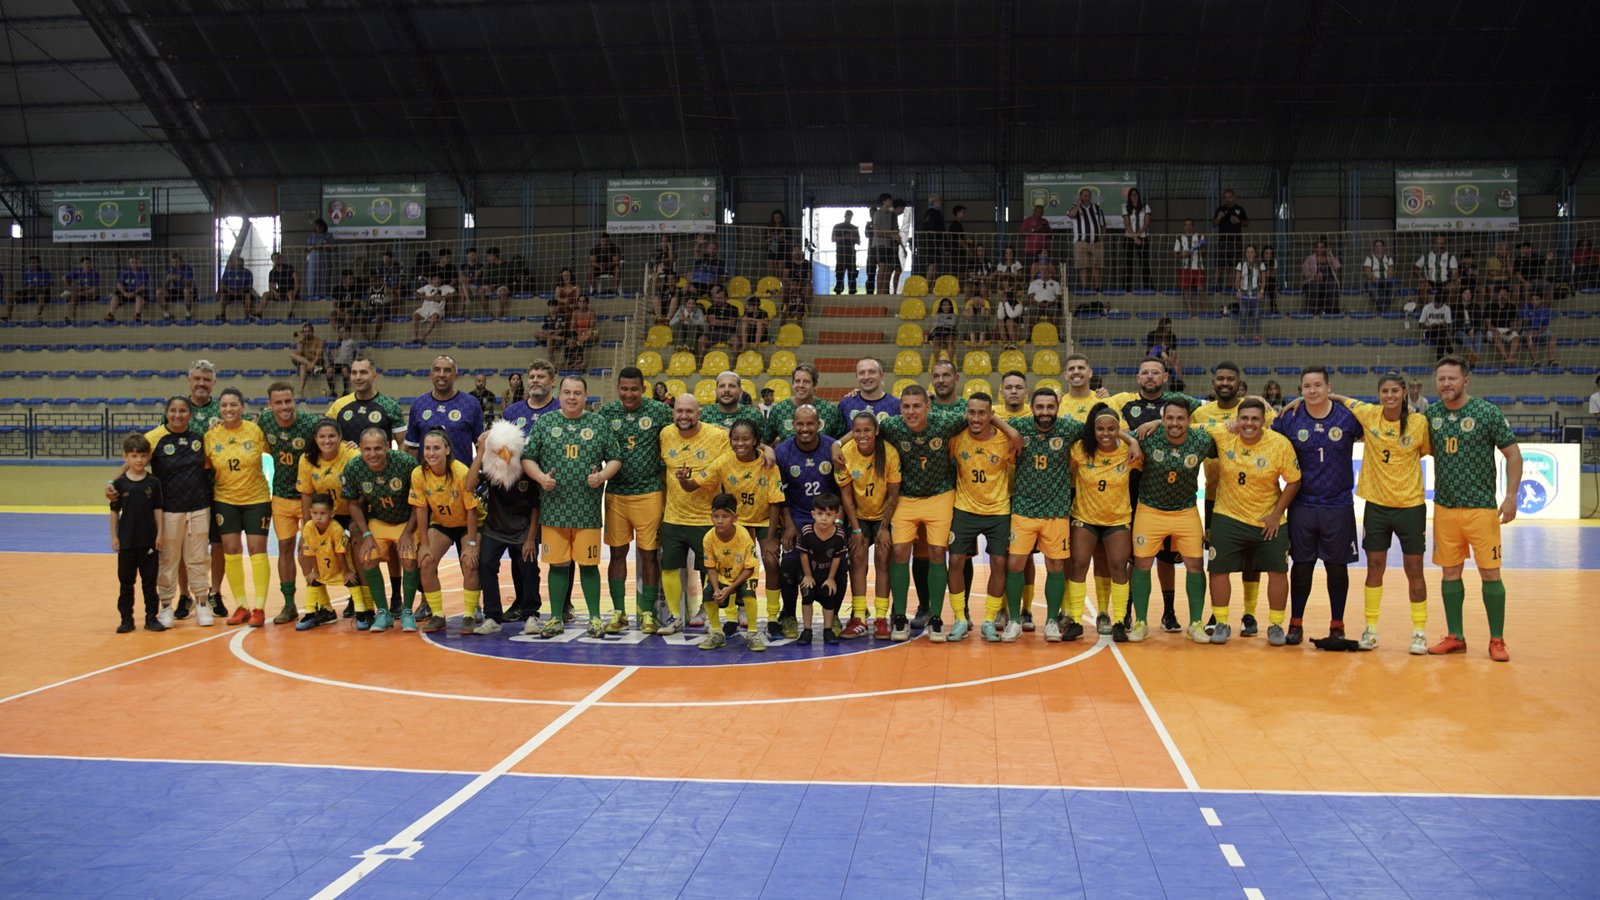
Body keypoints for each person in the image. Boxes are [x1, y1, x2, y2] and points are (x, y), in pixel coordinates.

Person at [1311, 373, 1433, 653]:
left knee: (1414, 569)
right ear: (1379, 394)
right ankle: (1371, 630)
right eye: (1384, 391)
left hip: (1411, 507)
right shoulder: (1369, 414)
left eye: (1394, 391)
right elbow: (1337, 398)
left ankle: (1419, 632)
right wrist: (1294, 403)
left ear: (1404, 393)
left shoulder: (1418, 422)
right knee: (1374, 567)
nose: (1389, 396)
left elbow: (1425, 451)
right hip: (1376, 506)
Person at [1426, 356, 1521, 662]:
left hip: (1481, 509)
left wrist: (1511, 495)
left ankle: (1497, 640)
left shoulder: (1486, 412)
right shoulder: (1431, 415)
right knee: (1450, 572)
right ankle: (1456, 636)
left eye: (1452, 379)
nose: (1446, 384)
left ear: (1465, 381)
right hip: (1445, 508)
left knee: (1490, 573)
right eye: (1441, 379)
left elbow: (1513, 455)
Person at [521, 375, 621, 638]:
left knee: (589, 566)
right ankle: (555, 618)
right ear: (560, 394)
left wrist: (601, 476)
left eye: (577, 393)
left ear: (586, 396)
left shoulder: (598, 423)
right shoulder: (546, 422)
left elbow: (615, 458)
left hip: (587, 511)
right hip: (553, 510)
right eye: (567, 392)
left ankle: (596, 619)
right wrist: (542, 478)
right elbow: (527, 459)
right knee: (557, 565)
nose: (572, 397)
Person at [1272, 367, 1362, 645]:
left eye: (1318, 386)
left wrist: (1337, 397)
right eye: (1307, 387)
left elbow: (1373, 424)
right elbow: (1266, 434)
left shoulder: (1347, 417)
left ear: (1328, 387)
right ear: (1300, 390)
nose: (1312, 391)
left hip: (1338, 505)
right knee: (1302, 566)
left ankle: (1337, 624)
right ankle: (1295, 623)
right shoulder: (1290, 418)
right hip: (1302, 505)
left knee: (1337, 568)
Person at [1199, 398, 1300, 644]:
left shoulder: (1279, 444)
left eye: (1255, 419)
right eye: (1244, 418)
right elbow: (1185, 427)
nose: (1249, 423)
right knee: (1218, 570)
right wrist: (1157, 421)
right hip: (1228, 516)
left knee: (1278, 571)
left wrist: (1276, 515)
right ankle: (1221, 622)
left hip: (1267, 519)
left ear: (1264, 421)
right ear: (1237, 419)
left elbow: (1294, 480)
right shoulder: (1224, 433)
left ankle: (1275, 625)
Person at [881, 385, 974, 640]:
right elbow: (861, 431)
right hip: (906, 498)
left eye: (917, 406)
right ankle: (899, 617)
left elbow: (980, 414)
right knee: (899, 551)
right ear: (900, 408)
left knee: (936, 552)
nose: (911, 411)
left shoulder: (945, 422)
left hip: (940, 495)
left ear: (928, 407)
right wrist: (838, 445)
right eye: (906, 406)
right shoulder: (891, 426)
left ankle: (936, 617)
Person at [1194, 361, 1275, 630]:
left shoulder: (1253, 411)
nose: (1225, 383)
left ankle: (1249, 613)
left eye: (1230, 379)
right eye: (1220, 379)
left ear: (1239, 383)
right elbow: (1184, 427)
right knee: (1218, 559)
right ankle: (1218, 614)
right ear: (1213, 383)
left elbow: (1276, 425)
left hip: (1253, 498)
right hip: (1217, 498)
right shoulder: (1201, 413)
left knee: (1252, 558)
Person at [687, 418, 783, 639]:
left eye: (746, 438)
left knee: (770, 560)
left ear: (756, 441)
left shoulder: (768, 465)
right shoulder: (723, 462)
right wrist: (684, 479)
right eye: (735, 439)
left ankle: (772, 618)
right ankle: (731, 617)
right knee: (728, 562)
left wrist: (769, 536)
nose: (740, 443)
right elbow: (694, 484)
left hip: (763, 520)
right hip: (736, 521)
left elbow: (775, 501)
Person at [1128, 399, 1213, 642]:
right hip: (1150, 510)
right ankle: (1140, 622)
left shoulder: (1201, 440)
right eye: (1170, 418)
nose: (1175, 423)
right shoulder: (1148, 436)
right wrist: (1133, 439)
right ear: (1163, 419)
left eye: (1180, 419)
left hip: (1185, 511)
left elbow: (1224, 429)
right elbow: (1117, 433)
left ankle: (1195, 623)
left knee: (1195, 566)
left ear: (1188, 420)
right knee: (1142, 564)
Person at [599, 367, 674, 632]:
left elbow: (672, 447)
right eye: (624, 389)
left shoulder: (659, 412)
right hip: (617, 494)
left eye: (634, 389)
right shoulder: (607, 413)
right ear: (618, 388)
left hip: (650, 492)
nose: (629, 394)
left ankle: (648, 614)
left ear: (643, 388)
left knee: (649, 555)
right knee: (617, 554)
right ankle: (619, 613)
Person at [942, 393, 1019, 642]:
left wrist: (1005, 427)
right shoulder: (955, 439)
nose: (976, 418)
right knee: (955, 562)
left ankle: (988, 619)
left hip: (998, 511)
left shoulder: (1006, 441)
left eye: (982, 413)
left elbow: (1018, 443)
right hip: (964, 509)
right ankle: (960, 619)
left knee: (998, 564)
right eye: (972, 412)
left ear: (991, 415)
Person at [1066, 403, 1140, 641]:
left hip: (1117, 519)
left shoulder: (1129, 452)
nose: (1106, 434)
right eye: (1100, 429)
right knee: (1078, 564)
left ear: (1119, 429)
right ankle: (1075, 621)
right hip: (1084, 517)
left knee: (1118, 566)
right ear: (1093, 429)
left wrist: (1131, 441)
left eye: (1111, 429)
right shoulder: (1079, 450)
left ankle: (1118, 620)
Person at [342, 426, 422, 632]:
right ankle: (383, 613)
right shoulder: (353, 467)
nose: (372, 454)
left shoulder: (406, 464)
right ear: (360, 448)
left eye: (378, 448)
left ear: (388, 446)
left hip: (406, 521)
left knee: (408, 558)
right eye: (367, 449)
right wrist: (366, 533)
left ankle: (406, 612)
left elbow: (419, 501)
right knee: (367, 557)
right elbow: (351, 503)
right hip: (378, 521)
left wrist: (407, 532)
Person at [143, 396, 214, 628]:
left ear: (190, 414)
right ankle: (165, 607)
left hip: (198, 508)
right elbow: (134, 461)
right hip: (169, 510)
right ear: (166, 413)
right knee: (168, 559)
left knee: (198, 558)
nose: (177, 415)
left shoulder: (198, 439)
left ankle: (202, 604)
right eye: (173, 410)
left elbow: (211, 462)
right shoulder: (155, 438)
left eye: (182, 411)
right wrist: (113, 482)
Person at [206, 389, 274, 627]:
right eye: (224, 405)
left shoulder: (255, 431)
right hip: (225, 499)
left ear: (242, 407)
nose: (228, 409)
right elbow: (205, 467)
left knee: (257, 550)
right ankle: (242, 606)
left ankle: (259, 608)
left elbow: (275, 451)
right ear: (219, 408)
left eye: (233, 404)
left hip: (256, 499)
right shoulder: (211, 435)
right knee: (231, 550)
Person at [465, 420, 540, 631]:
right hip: (495, 528)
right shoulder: (491, 468)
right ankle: (492, 617)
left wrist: (531, 539)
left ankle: (531, 614)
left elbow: (536, 506)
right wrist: (481, 452)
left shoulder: (526, 468)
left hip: (523, 529)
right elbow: (469, 486)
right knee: (486, 565)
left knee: (528, 568)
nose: (504, 455)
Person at [832, 410, 901, 638]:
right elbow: (847, 497)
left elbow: (893, 494)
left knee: (883, 559)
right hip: (859, 515)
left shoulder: (889, 453)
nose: (862, 435)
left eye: (867, 430)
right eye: (857, 430)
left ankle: (881, 618)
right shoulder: (845, 453)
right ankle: (859, 616)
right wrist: (856, 529)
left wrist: (883, 528)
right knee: (857, 560)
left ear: (876, 431)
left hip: (884, 515)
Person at [257, 382, 320, 626]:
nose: (284, 407)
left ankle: (317, 603)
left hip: (309, 497)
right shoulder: (264, 421)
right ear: (270, 404)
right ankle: (289, 604)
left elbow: (327, 445)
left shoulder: (308, 424)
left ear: (294, 400)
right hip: (281, 496)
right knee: (284, 549)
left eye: (288, 401)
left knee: (308, 550)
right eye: (278, 402)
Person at [774, 405, 839, 641]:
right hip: (798, 515)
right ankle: (789, 614)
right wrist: (788, 525)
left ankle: (835, 616)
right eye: (800, 424)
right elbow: (778, 494)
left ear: (818, 424)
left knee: (839, 561)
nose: (805, 429)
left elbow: (842, 487)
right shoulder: (782, 452)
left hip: (829, 515)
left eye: (810, 423)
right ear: (793, 425)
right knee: (790, 560)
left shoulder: (832, 446)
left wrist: (837, 519)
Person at [410, 428, 482, 634]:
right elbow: (421, 510)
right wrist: (423, 544)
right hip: (442, 523)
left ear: (447, 450)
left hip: (467, 523)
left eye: (436, 448)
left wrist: (470, 544)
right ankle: (437, 614)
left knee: (469, 563)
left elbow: (471, 511)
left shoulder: (460, 472)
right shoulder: (419, 474)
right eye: (427, 448)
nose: (431, 453)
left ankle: (470, 614)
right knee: (425, 561)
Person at [296, 418, 366, 622]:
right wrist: (307, 529)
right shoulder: (307, 459)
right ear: (316, 439)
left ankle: (360, 602)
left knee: (356, 545)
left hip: (349, 510)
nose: (327, 440)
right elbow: (307, 495)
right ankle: (324, 607)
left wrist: (359, 520)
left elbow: (363, 490)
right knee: (304, 554)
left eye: (332, 436)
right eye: (322, 436)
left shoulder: (352, 455)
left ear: (340, 437)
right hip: (323, 514)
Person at [109, 433, 164, 634]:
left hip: (149, 540)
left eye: (142, 455)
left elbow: (158, 509)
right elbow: (114, 511)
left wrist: (160, 534)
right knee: (126, 583)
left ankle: (151, 617)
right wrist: (114, 537)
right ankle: (126, 619)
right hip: (127, 541)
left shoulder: (153, 483)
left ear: (148, 456)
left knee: (149, 583)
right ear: (125, 457)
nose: (138, 460)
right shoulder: (119, 484)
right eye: (134, 456)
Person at [699, 492, 764, 650]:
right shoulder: (708, 538)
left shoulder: (744, 536)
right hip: (722, 576)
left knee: (748, 593)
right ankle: (716, 633)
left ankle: (753, 633)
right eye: (716, 516)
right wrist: (716, 589)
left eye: (725, 516)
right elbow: (711, 567)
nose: (720, 521)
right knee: (708, 593)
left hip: (744, 575)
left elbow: (749, 569)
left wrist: (730, 590)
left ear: (735, 518)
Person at [294, 494, 360, 631]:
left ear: (332, 513)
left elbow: (340, 553)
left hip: (342, 565)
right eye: (315, 513)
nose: (318, 517)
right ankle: (310, 614)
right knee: (313, 580)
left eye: (323, 513)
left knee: (352, 581)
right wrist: (316, 571)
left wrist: (347, 572)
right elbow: (310, 552)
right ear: (310, 512)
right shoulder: (308, 528)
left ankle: (362, 612)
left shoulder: (336, 529)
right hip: (323, 564)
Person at [404, 355, 485, 465]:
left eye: (447, 370)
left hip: (461, 479)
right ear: (431, 375)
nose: (441, 375)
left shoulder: (471, 404)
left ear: (455, 376)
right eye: (437, 370)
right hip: (426, 479)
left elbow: (480, 446)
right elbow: (412, 448)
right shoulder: (418, 404)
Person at [797, 493, 850, 645]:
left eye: (828, 514)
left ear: (836, 516)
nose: (824, 518)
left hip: (827, 574)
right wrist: (807, 575)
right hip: (810, 573)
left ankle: (828, 630)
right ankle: (807, 630)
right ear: (813, 514)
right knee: (807, 594)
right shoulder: (807, 531)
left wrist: (831, 578)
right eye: (820, 514)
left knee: (829, 595)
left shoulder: (839, 535)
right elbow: (803, 554)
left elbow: (837, 557)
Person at [763, 363, 845, 443]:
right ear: (792, 384)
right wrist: (767, 449)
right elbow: (766, 439)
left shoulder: (830, 410)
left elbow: (841, 442)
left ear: (815, 385)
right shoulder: (779, 410)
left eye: (806, 381)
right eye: (797, 381)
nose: (801, 385)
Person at [1065, 187, 1108, 294]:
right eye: (1084, 196)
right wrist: (1079, 204)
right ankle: (1084, 287)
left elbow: (1103, 225)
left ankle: (1097, 287)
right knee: (1082, 266)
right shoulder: (1074, 207)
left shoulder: (1097, 209)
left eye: (1088, 196)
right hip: (1081, 242)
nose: (1087, 198)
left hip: (1097, 242)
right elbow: (1071, 215)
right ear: (1080, 197)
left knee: (1097, 266)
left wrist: (1102, 239)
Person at [700, 371, 765, 433]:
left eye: (732, 386)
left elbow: (762, 443)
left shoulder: (754, 415)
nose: (726, 390)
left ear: (740, 391)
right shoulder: (704, 414)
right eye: (722, 386)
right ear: (716, 391)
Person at [865, 194, 898, 295]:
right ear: (884, 201)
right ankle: (879, 292)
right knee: (882, 268)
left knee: (887, 269)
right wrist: (891, 236)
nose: (891, 201)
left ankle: (884, 292)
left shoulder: (891, 215)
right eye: (889, 200)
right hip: (879, 245)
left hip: (888, 245)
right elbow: (877, 232)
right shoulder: (878, 214)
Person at [1122, 188, 1152, 291]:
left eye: (1135, 194)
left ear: (1138, 196)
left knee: (1144, 263)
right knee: (1128, 264)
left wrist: (1138, 235)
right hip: (1129, 238)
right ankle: (1126, 288)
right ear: (1129, 197)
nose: (1134, 197)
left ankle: (1148, 287)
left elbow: (1146, 222)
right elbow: (1127, 224)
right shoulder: (1125, 207)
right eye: (1131, 195)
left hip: (1142, 237)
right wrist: (1135, 237)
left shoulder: (1145, 207)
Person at [4, 255, 51, 322]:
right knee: (10, 295)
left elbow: (48, 287)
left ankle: (38, 316)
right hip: (29, 293)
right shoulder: (27, 273)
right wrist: (28, 289)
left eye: (35, 262)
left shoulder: (45, 272)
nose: (34, 264)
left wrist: (36, 291)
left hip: (41, 293)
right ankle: (8, 317)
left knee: (41, 296)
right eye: (32, 263)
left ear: (39, 262)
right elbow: (25, 287)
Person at [1301, 239, 1342, 316]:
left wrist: (1331, 254)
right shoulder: (1310, 259)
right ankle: (1313, 312)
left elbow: (1337, 266)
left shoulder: (1329, 258)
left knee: (1332, 285)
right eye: (1317, 247)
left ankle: (1331, 312)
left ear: (1326, 248)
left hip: (1328, 281)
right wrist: (1314, 275)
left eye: (1322, 247)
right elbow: (1305, 273)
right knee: (1315, 286)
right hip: (1314, 281)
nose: (1319, 249)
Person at [1173, 219, 1206, 313]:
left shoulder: (1200, 237)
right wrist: (1184, 254)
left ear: (1193, 226)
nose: (1188, 227)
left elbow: (1205, 253)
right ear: (1183, 226)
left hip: (1198, 267)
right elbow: (1175, 255)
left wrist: (1201, 250)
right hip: (1185, 268)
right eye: (1186, 225)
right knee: (1186, 289)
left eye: (1190, 225)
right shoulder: (1179, 238)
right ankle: (1191, 310)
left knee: (1201, 288)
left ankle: (1205, 311)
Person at [1236, 244, 1266, 342]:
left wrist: (1261, 292)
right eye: (1248, 252)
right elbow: (1237, 280)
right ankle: (1242, 335)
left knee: (1256, 314)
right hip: (1244, 291)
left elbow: (1263, 280)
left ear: (1255, 254)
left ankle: (1256, 335)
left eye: (1252, 252)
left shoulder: (1260, 264)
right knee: (1243, 314)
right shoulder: (1241, 264)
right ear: (1245, 253)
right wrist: (1238, 291)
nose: (1250, 254)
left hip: (1255, 290)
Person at [411, 273, 453, 343]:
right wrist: (426, 297)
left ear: (442, 280)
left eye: (439, 279)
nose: (437, 281)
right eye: (434, 279)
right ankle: (414, 338)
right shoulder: (427, 287)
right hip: (425, 308)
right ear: (431, 280)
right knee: (415, 315)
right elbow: (416, 292)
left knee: (434, 317)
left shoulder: (446, 287)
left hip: (437, 309)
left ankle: (422, 337)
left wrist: (444, 297)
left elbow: (455, 293)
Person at [108, 256, 151, 322]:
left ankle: (137, 315)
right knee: (115, 296)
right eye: (132, 262)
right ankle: (111, 315)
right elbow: (118, 284)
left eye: (136, 262)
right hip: (126, 292)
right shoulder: (125, 271)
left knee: (139, 297)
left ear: (138, 263)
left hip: (137, 292)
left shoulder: (144, 272)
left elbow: (144, 286)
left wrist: (134, 293)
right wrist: (124, 292)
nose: (134, 264)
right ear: (129, 263)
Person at [61, 256, 100, 323]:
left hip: (89, 294)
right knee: (73, 297)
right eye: (86, 263)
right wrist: (69, 287)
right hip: (79, 293)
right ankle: (73, 318)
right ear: (82, 264)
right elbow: (64, 277)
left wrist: (80, 290)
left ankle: (69, 316)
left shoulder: (95, 274)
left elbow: (95, 288)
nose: (88, 265)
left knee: (94, 290)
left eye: (89, 263)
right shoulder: (78, 272)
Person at [158, 252, 196, 320]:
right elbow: (164, 287)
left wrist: (180, 278)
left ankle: (188, 313)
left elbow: (189, 284)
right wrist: (167, 280)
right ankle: (166, 314)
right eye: (173, 262)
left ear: (181, 261)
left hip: (187, 291)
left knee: (186, 291)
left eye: (176, 262)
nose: (175, 264)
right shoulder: (170, 269)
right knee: (159, 292)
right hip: (176, 291)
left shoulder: (188, 268)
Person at [217, 256, 255, 323]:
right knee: (223, 295)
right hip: (230, 292)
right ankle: (222, 314)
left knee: (248, 295)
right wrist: (230, 291)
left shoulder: (248, 273)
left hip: (241, 293)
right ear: (234, 263)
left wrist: (240, 291)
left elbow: (249, 286)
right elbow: (223, 284)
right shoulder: (227, 272)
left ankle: (247, 315)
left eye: (241, 262)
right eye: (238, 262)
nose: (240, 263)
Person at [305, 218, 335, 299]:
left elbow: (331, 247)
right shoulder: (311, 236)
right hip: (313, 261)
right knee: (312, 278)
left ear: (323, 227)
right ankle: (312, 296)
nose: (317, 229)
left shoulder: (328, 236)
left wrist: (321, 246)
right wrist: (316, 246)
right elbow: (307, 248)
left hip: (325, 261)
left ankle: (324, 296)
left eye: (319, 227)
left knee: (324, 278)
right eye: (316, 227)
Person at [264, 251, 300, 319]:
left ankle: (290, 313)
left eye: (278, 258)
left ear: (281, 259)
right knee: (265, 294)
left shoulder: (288, 267)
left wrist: (296, 290)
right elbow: (271, 285)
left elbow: (296, 278)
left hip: (290, 289)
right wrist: (274, 292)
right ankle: (259, 313)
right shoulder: (272, 272)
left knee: (290, 294)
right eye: (275, 259)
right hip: (280, 291)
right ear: (272, 260)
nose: (277, 260)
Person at [831, 211, 861, 294]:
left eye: (850, 216)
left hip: (851, 254)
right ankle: (838, 290)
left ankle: (852, 290)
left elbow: (859, 242)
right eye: (848, 216)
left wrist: (853, 238)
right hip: (841, 253)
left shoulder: (854, 228)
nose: (849, 217)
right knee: (839, 272)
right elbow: (833, 239)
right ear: (845, 216)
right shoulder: (837, 226)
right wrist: (845, 237)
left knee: (852, 273)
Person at [290, 326, 325, 394]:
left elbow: (318, 356)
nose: (307, 333)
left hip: (317, 363)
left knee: (302, 366)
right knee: (292, 356)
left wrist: (313, 364)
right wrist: (300, 342)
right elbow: (298, 354)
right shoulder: (302, 341)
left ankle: (300, 390)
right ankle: (301, 391)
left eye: (309, 331)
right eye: (305, 332)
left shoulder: (318, 341)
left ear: (312, 332)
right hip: (306, 363)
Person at [1363, 240, 1397, 311]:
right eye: (1376, 246)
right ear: (1374, 248)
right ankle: (1384, 308)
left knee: (1395, 285)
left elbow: (1390, 273)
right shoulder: (1369, 258)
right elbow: (1367, 273)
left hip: (1386, 281)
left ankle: (1383, 307)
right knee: (1369, 284)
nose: (1379, 248)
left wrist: (1385, 279)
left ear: (1384, 248)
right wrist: (1374, 277)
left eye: (1381, 246)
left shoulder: (1389, 258)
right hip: (1374, 281)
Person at [782, 245, 811, 321]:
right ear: (792, 253)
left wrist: (800, 284)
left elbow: (809, 277)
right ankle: (784, 306)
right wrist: (792, 283)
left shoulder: (807, 263)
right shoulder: (788, 263)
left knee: (809, 286)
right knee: (784, 285)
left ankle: (805, 307)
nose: (797, 253)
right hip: (791, 283)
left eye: (798, 251)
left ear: (801, 252)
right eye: (795, 251)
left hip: (803, 283)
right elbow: (785, 276)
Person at [764, 209, 792, 280]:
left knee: (780, 272)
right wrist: (771, 239)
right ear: (773, 218)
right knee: (771, 272)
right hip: (771, 251)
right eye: (775, 218)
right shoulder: (769, 227)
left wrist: (781, 239)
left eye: (778, 217)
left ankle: (780, 287)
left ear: (781, 217)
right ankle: (773, 288)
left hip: (782, 251)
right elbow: (764, 241)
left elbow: (790, 241)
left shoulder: (786, 227)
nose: (777, 219)